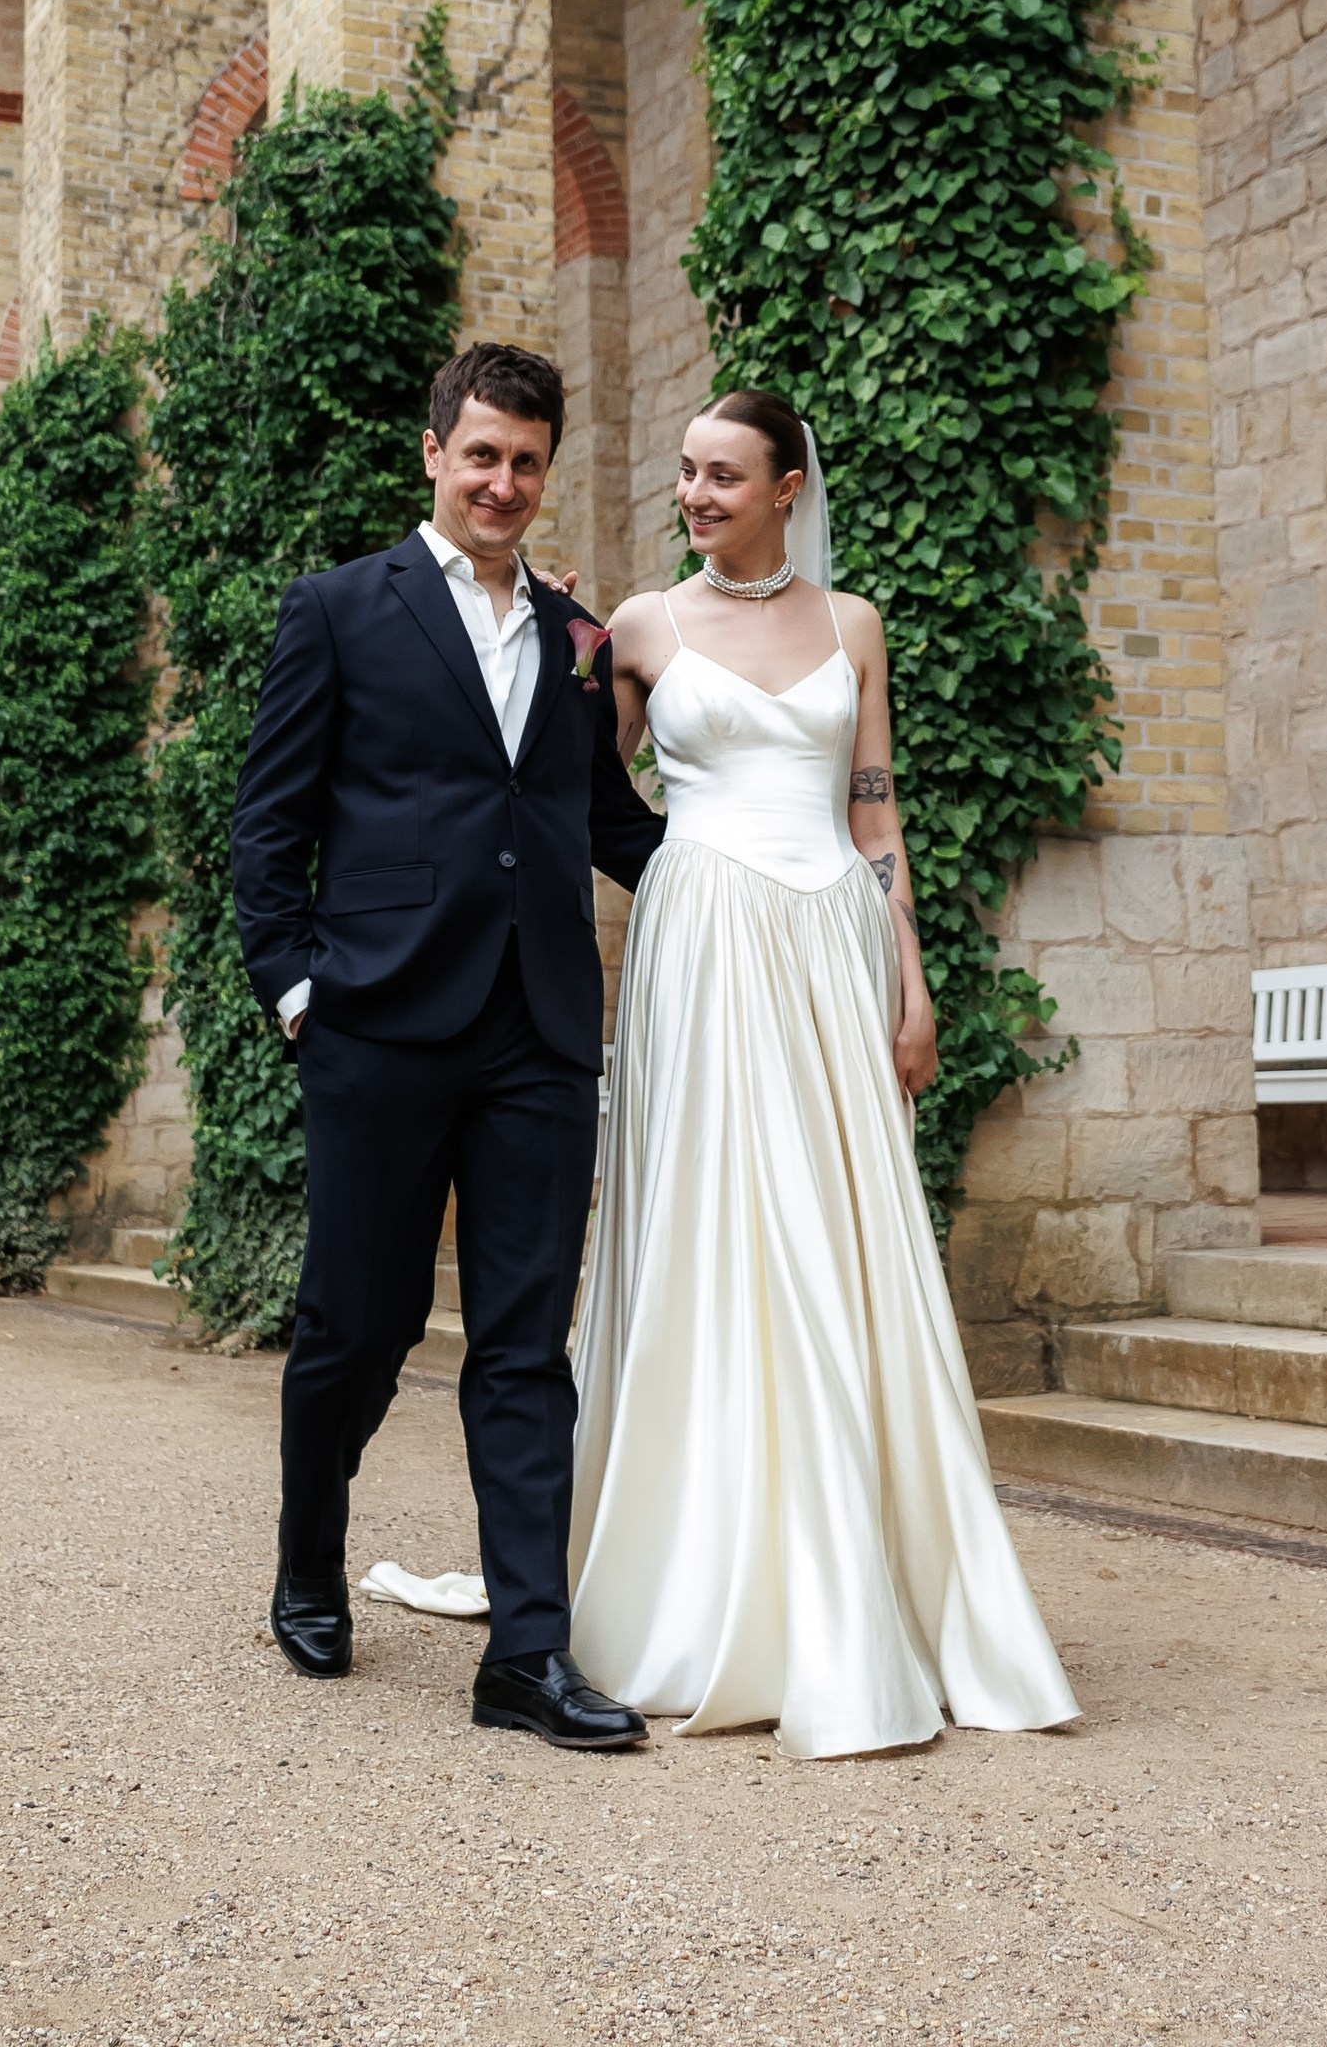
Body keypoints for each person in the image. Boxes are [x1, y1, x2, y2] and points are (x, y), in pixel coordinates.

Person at [568, 391, 1080, 1759]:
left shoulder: (854, 627)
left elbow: (875, 808)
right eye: (686, 473)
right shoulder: (640, 627)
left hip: (832, 947)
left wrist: (908, 979)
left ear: (788, 485)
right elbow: (573, 789)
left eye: (724, 475)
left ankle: (868, 1580)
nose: (696, 493)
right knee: (724, 1231)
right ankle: (708, 1580)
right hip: (708, 941)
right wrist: (552, 650)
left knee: (846, 1238)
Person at [229, 342, 665, 1749]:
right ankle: (308, 1556)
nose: (503, 481)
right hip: (380, 1022)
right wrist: (300, 991)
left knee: (526, 1346)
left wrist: (756, 878)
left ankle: (525, 1659)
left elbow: (603, 821)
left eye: (528, 461)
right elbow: (267, 824)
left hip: (538, 1028)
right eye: (482, 454)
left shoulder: (576, 634)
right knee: (360, 1328)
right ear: (435, 453)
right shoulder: (340, 609)